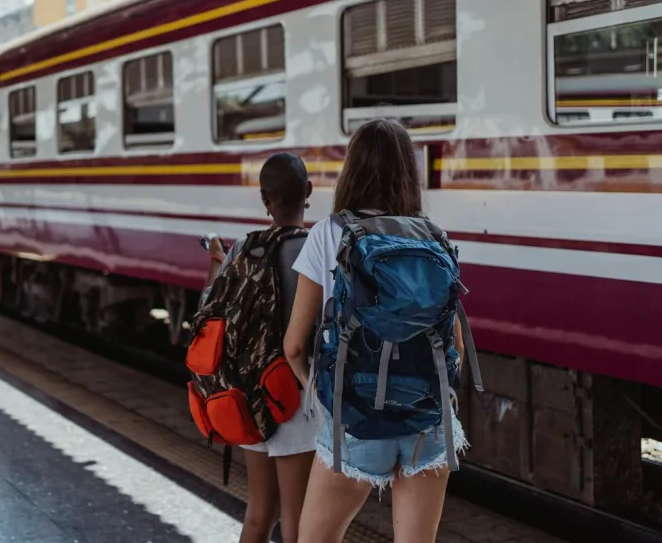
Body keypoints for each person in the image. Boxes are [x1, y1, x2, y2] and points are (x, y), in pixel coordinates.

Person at [283, 119, 467, 543]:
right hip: (427, 421)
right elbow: (454, 343)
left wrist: (323, 395)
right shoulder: (434, 238)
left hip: (355, 419)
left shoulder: (329, 234)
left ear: (352, 168)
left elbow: (294, 345)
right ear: (409, 171)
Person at [200, 151, 320, 543]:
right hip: (296, 400)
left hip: (252, 397)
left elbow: (208, 312)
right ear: (309, 192)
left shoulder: (243, 248)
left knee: (259, 514)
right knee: (297, 522)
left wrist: (216, 260)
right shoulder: (319, 251)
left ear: (264, 199)